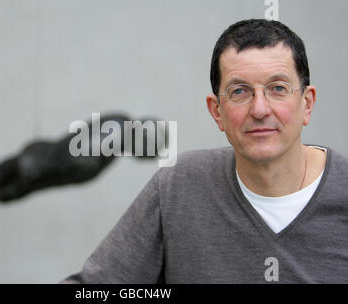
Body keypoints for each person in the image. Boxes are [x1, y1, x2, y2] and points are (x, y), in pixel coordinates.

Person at [61, 19, 348, 283]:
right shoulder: (180, 185)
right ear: (217, 112)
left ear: (307, 104)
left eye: (277, 88)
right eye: (239, 91)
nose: (260, 109)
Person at [0, 113, 166, 219]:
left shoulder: (118, 138)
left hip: (41, 168)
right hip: (39, 166)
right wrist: (37, 168)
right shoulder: (117, 132)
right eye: (147, 151)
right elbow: (79, 152)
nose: (142, 157)